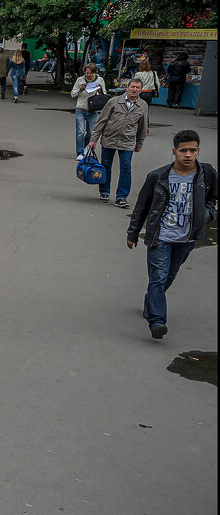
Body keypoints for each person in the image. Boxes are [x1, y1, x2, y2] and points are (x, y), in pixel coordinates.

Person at [126, 129, 217, 339]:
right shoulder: (158, 176)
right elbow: (142, 206)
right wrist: (133, 233)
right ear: (174, 151)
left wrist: (207, 214)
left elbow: (213, 197)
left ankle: (151, 301)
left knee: (170, 275)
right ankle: (157, 321)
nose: (188, 155)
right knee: (158, 277)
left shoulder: (207, 173)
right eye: (183, 150)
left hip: (187, 238)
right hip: (161, 235)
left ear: (198, 151)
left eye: (192, 150)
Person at [87, 79, 148, 208]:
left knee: (126, 168)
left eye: (137, 88)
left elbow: (143, 126)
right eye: (132, 87)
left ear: (140, 90)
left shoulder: (142, 106)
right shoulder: (114, 102)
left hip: (128, 141)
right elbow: (101, 121)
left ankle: (121, 197)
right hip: (109, 139)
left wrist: (139, 143)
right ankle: (104, 191)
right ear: (127, 88)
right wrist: (93, 139)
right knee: (106, 165)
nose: (134, 89)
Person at [70, 63, 107, 158]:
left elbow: (104, 95)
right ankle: (80, 153)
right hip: (81, 109)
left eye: (90, 73)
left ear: (94, 73)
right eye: (87, 73)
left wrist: (100, 91)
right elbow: (73, 94)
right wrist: (80, 89)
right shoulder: (80, 80)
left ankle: (84, 146)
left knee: (91, 132)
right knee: (80, 132)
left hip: (93, 109)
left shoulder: (100, 80)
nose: (88, 75)